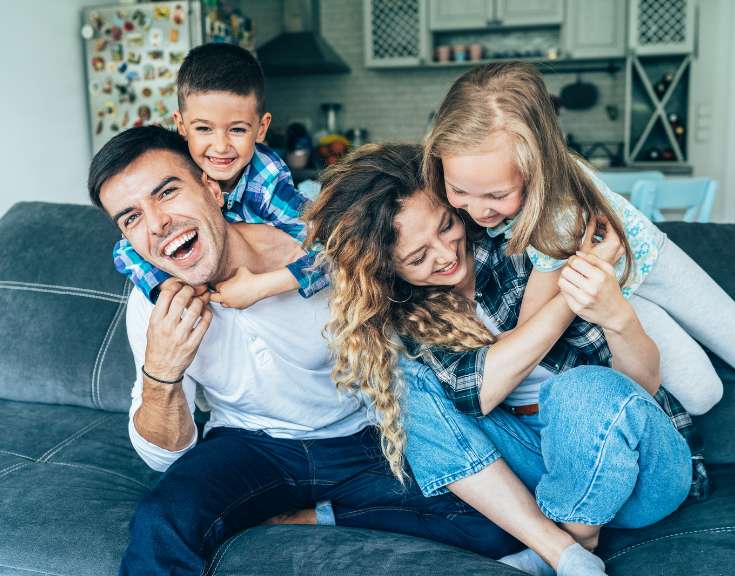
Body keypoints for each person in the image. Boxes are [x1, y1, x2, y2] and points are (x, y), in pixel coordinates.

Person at [89, 127, 526, 575]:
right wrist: (162, 372)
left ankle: (320, 514)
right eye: (131, 218)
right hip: (251, 446)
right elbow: (164, 457)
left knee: (498, 523)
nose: (157, 223)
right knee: (161, 521)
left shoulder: (316, 250)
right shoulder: (153, 300)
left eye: (166, 193)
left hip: (363, 438)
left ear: (211, 188)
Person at [304, 143, 702, 576]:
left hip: (642, 471)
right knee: (400, 384)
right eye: (417, 258)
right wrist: (571, 295)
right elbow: (480, 393)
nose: (445, 254)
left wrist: (602, 302)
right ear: (388, 271)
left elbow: (636, 388)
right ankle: (560, 550)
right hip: (540, 466)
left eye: (445, 225)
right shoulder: (412, 313)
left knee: (579, 388)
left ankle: (575, 538)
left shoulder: (524, 247)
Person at [421, 61, 735, 416]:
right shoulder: (465, 183)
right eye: (459, 190)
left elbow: (530, 332)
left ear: (538, 167)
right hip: (617, 290)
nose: (478, 211)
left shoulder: (558, 213)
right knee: (701, 394)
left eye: (496, 196)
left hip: (651, 265)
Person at [112, 42, 325, 307]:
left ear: (261, 128)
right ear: (181, 125)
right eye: (203, 129)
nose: (221, 146)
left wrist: (258, 288)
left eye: (237, 130)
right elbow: (125, 250)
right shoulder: (175, 171)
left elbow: (331, 256)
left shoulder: (266, 181)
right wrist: (167, 284)